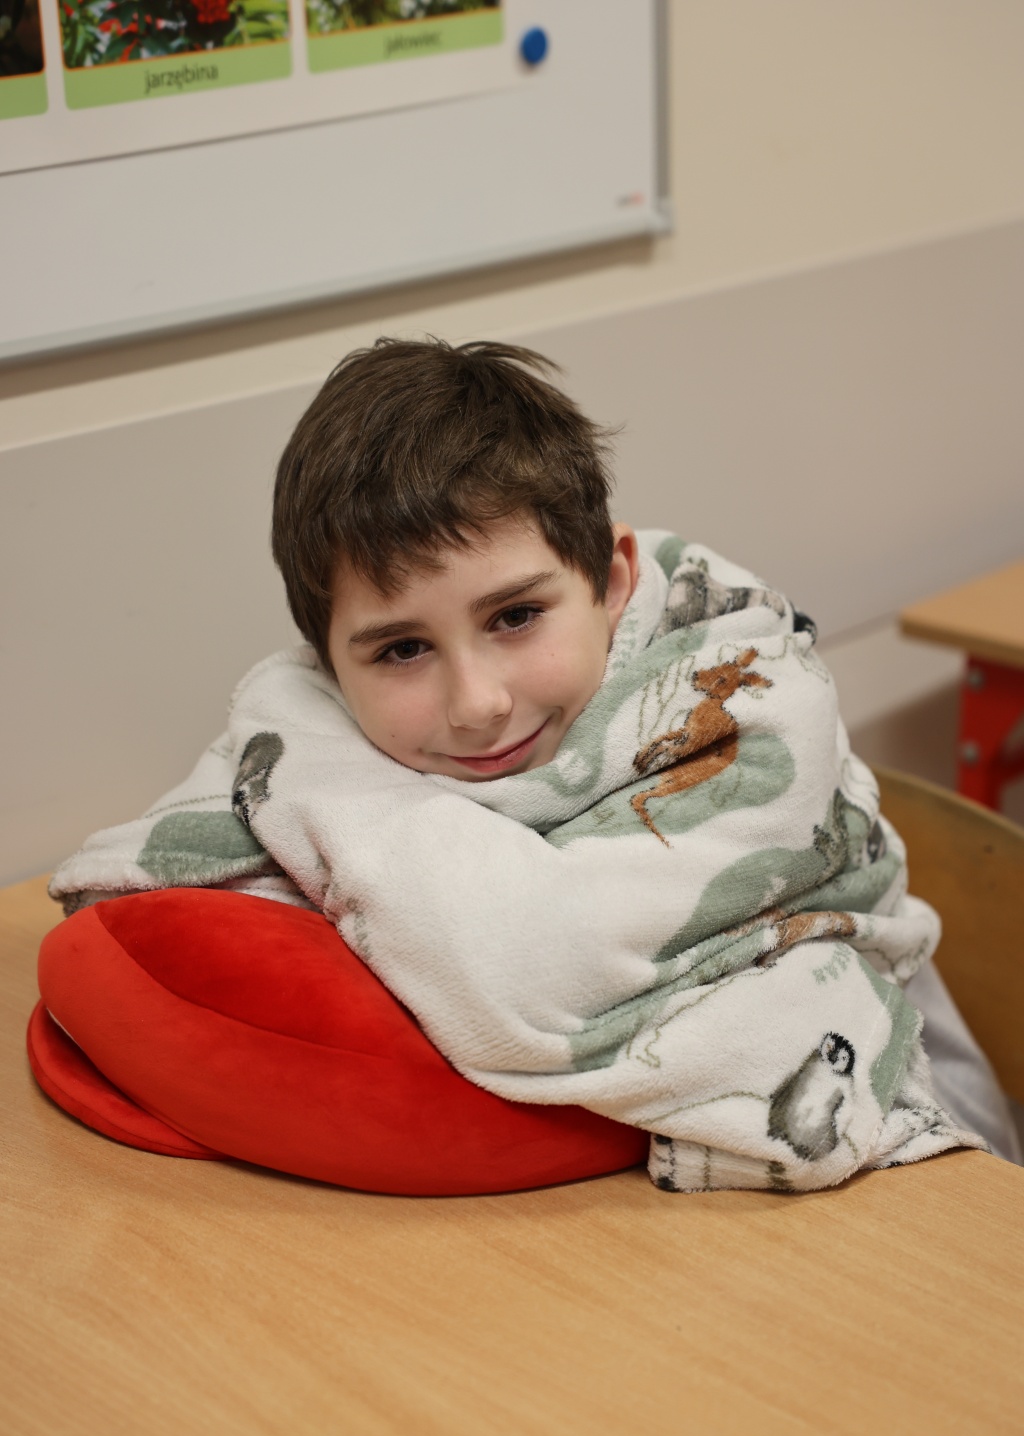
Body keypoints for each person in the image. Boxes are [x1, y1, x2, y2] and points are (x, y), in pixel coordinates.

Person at [51, 337, 1020, 1183]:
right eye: (401, 650)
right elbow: (165, 909)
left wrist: (352, 826)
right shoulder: (301, 719)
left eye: (515, 617)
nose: (476, 703)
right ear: (328, 663)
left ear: (612, 581)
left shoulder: (750, 704)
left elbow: (549, 972)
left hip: (909, 1125)